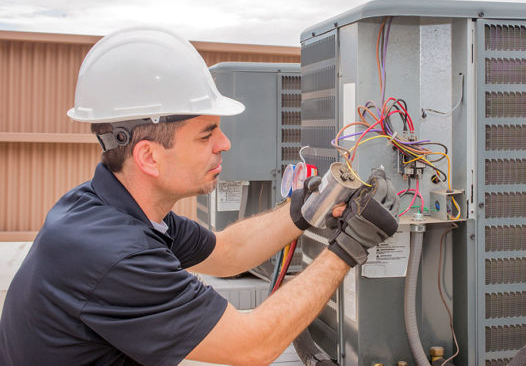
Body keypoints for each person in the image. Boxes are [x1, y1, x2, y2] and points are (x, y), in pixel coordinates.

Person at [0, 27, 400, 365]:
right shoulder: (114, 256)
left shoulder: (107, 207)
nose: (224, 143)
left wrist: (303, 208)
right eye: (207, 134)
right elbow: (252, 343)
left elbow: (226, 252)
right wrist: (349, 248)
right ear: (149, 157)